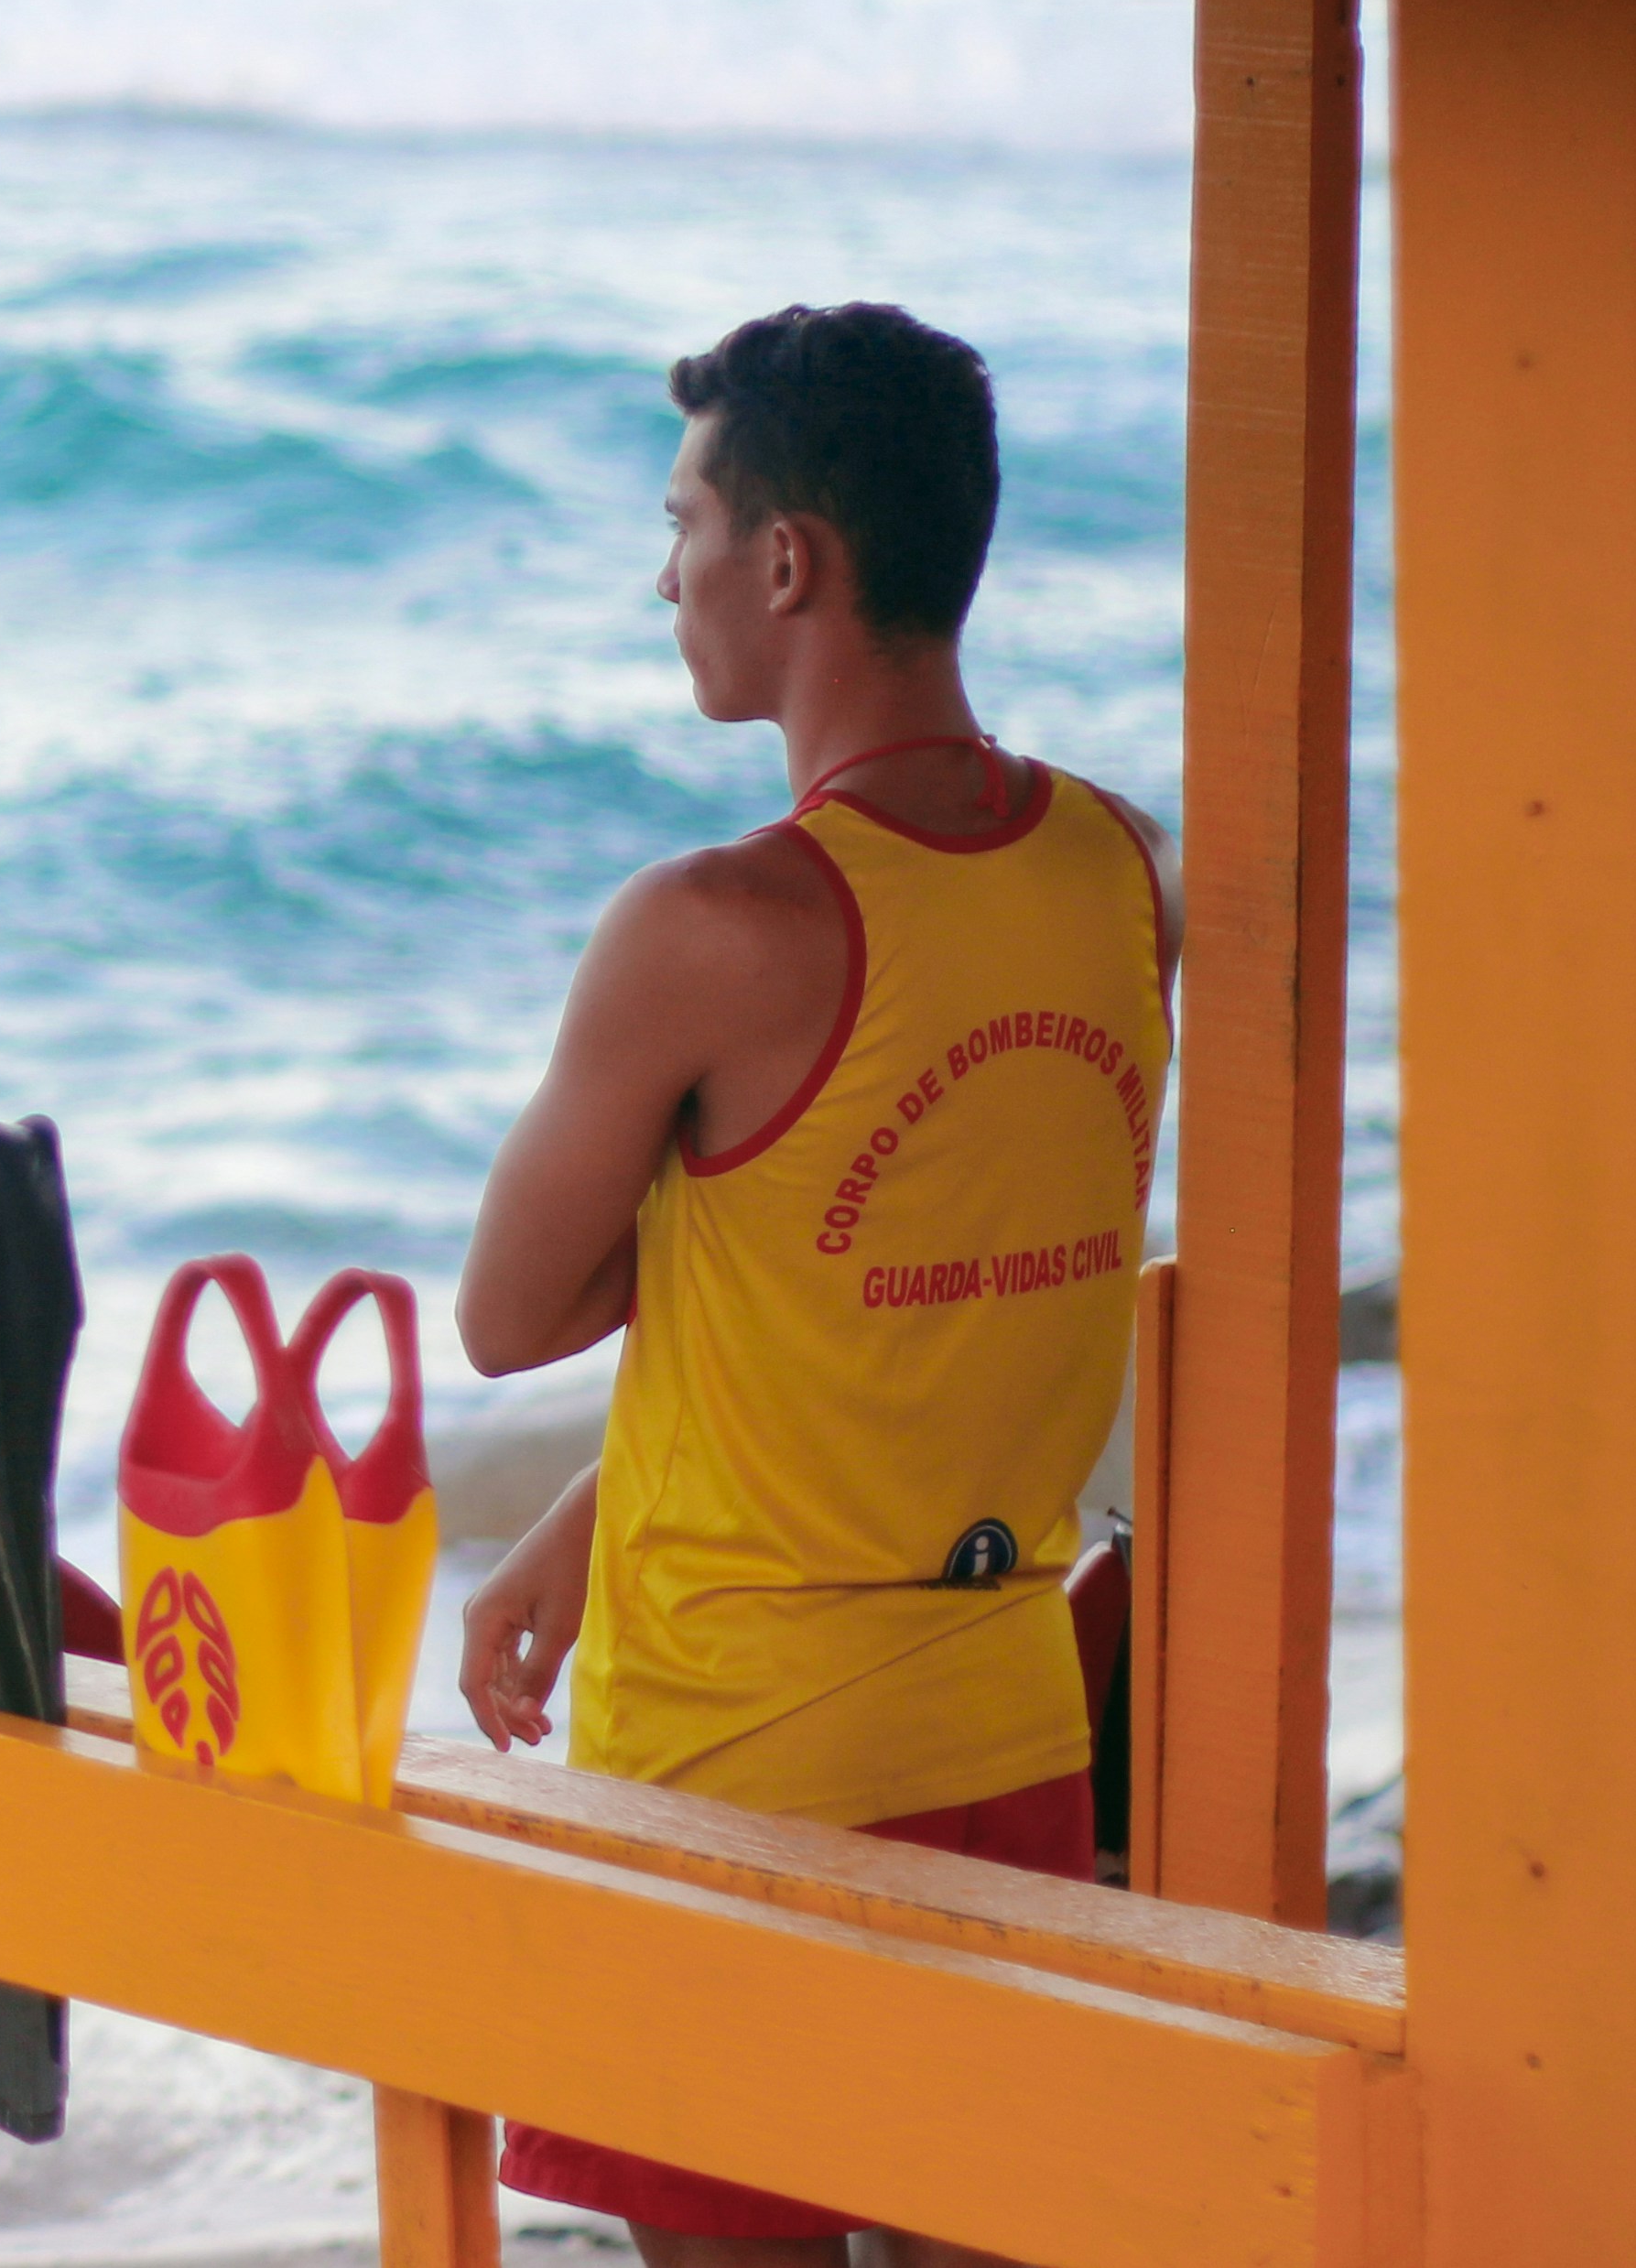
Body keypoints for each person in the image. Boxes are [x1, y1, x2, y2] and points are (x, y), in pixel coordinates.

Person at [451, 304, 1180, 2268]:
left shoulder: (710, 925)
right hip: (1004, 1725)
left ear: (783, 563)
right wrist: (594, 1512)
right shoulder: (1116, 873)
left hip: (734, 1762)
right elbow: (885, 1306)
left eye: (680, 520)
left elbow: (503, 1316)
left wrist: (669, 1191)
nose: (659, 573)